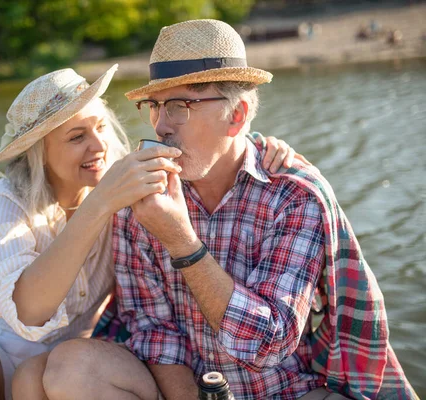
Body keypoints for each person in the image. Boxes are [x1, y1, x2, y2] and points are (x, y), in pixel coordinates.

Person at [43, 20, 417, 400]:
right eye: (154, 107)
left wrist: (182, 242)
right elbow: (153, 330)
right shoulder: (140, 199)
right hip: (187, 391)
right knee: (68, 366)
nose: (160, 127)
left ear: (236, 116)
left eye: (178, 107)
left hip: (286, 391)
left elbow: (271, 344)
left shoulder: (293, 197)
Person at [0, 63, 301, 400]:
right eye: (76, 137)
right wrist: (99, 203)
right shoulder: (9, 200)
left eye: (101, 126)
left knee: (34, 379)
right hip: (1, 349)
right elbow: (30, 312)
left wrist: (263, 144)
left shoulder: (124, 179)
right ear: (39, 153)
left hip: (69, 358)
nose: (99, 146)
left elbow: (209, 145)